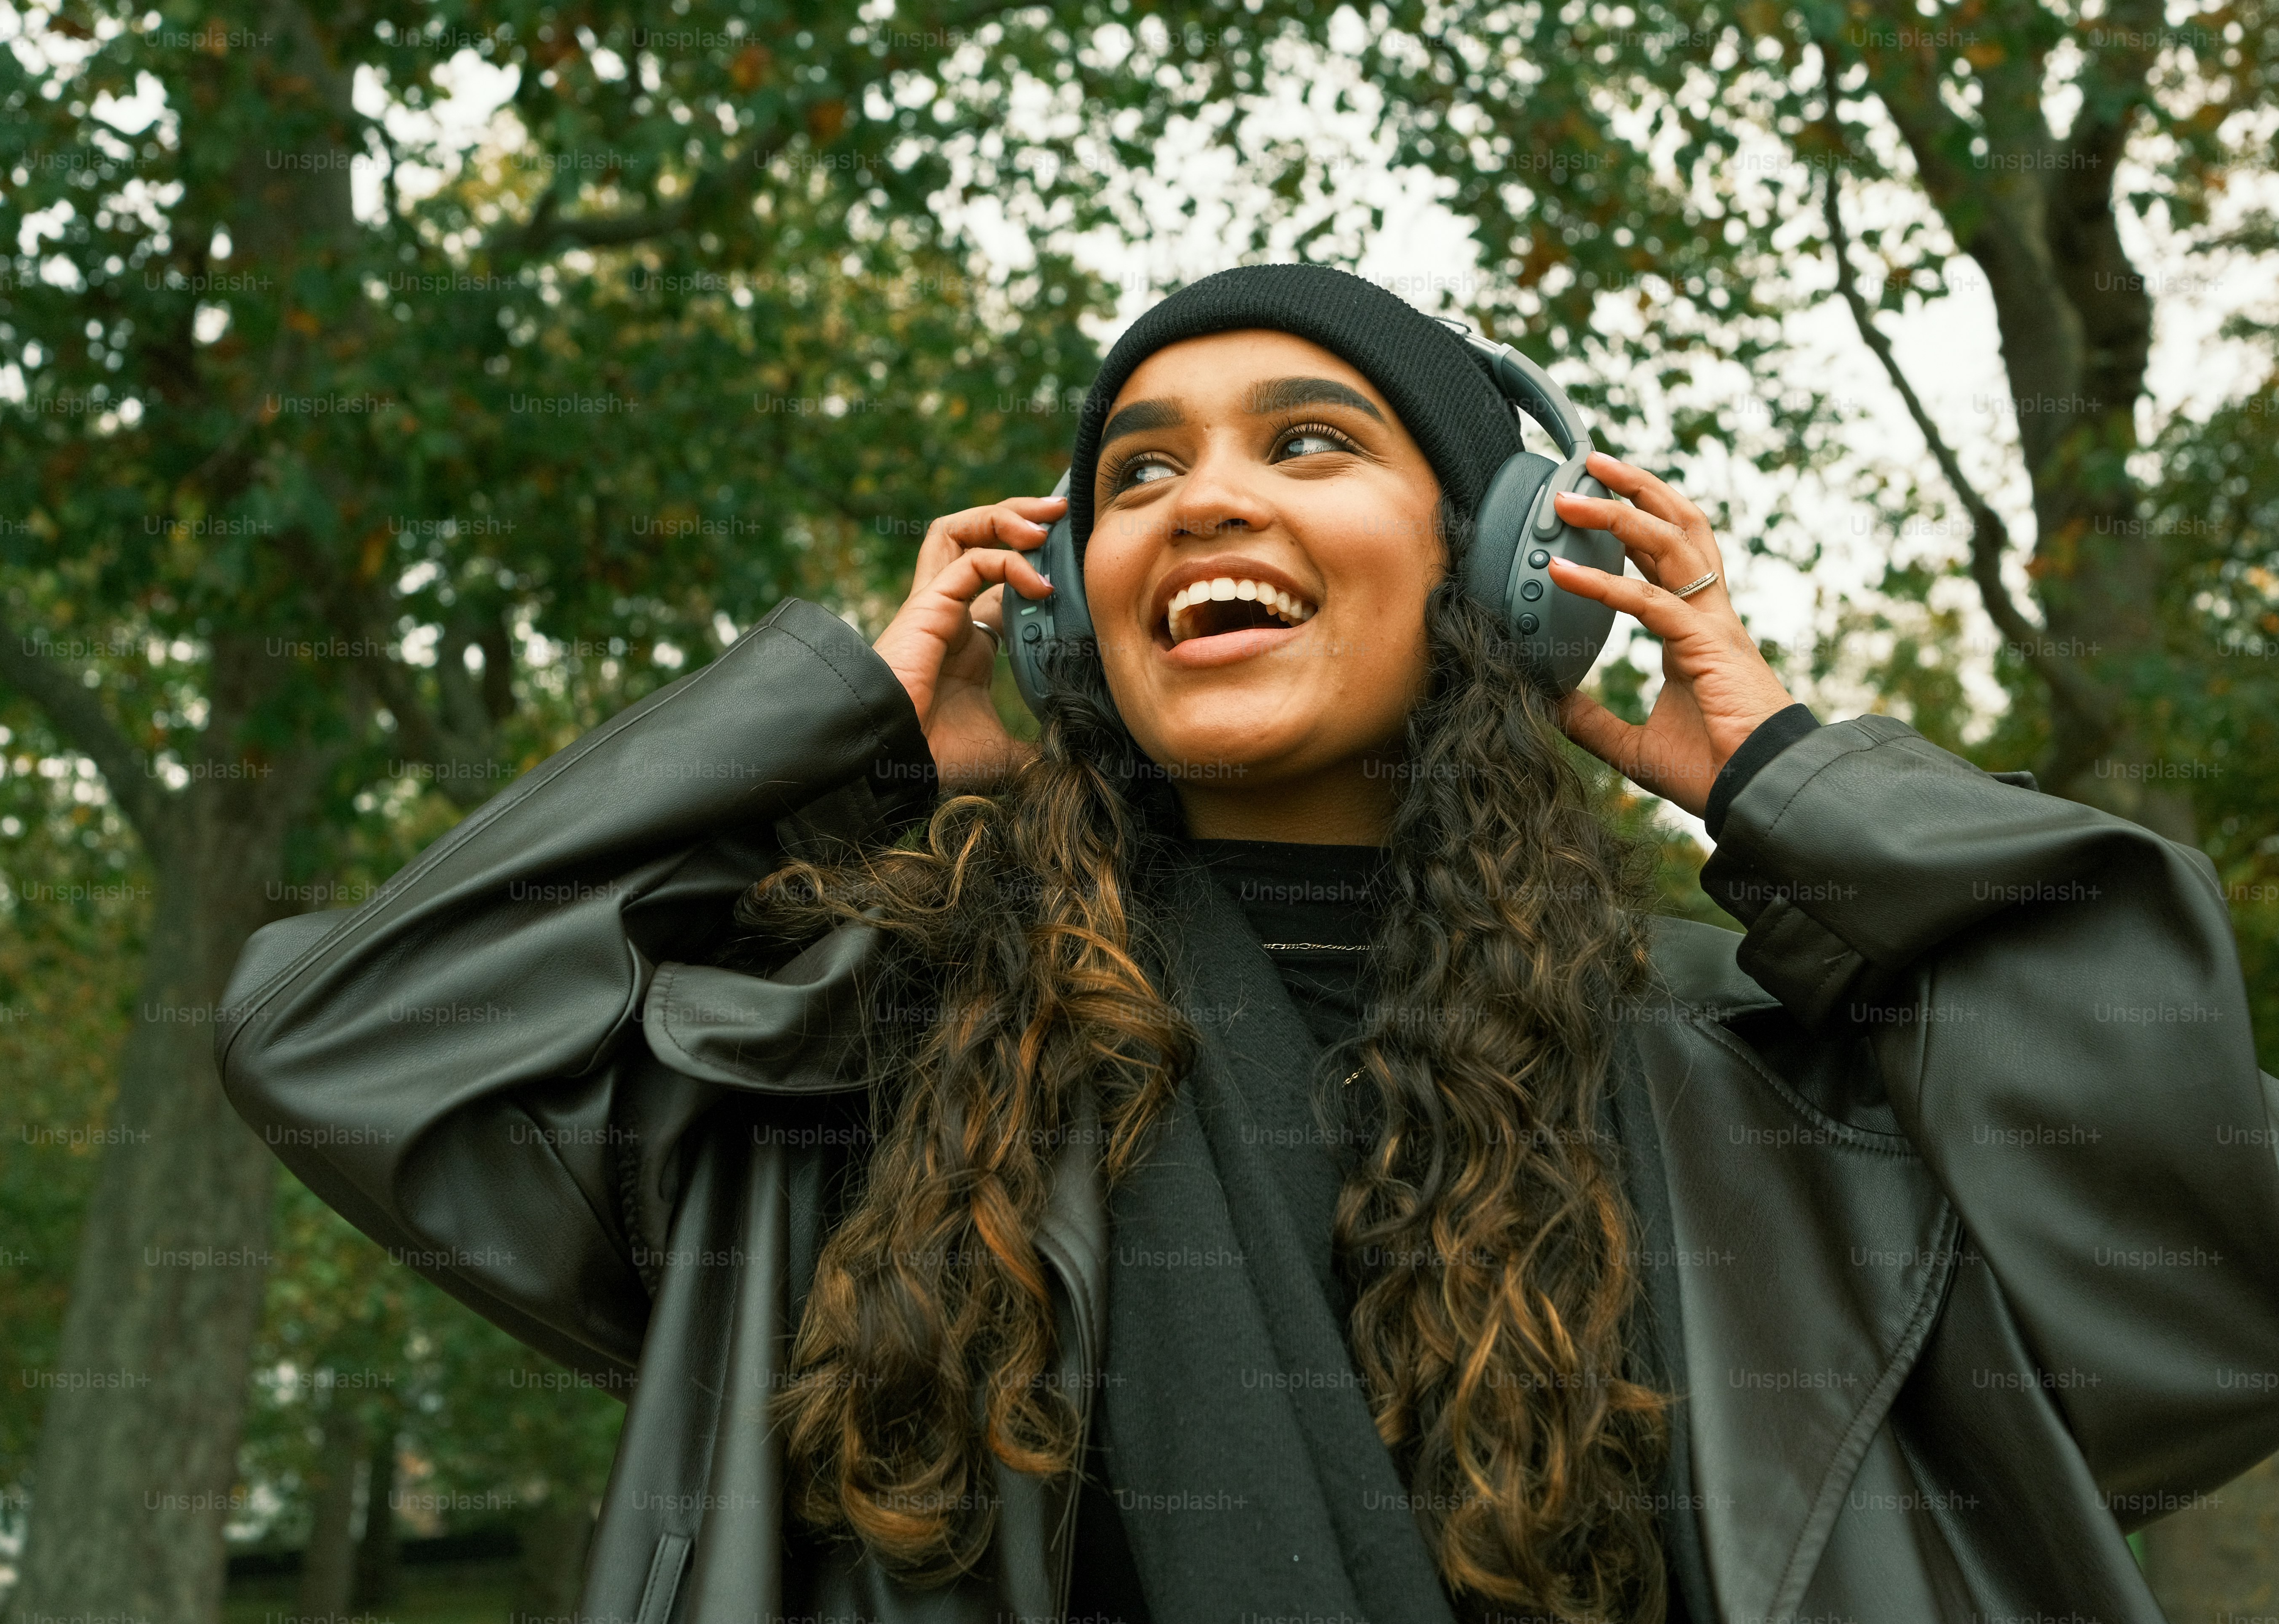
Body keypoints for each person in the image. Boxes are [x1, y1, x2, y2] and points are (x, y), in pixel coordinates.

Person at [217, 265, 2279, 1624]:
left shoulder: (1763, 1072)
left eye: (1307, 444)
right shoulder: (850, 1060)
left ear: (1505, 570)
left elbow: (2208, 1275)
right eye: (1136, 473)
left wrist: (1793, 783)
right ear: (1066, 612)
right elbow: (359, 1034)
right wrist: (826, 740)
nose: (1200, 502)